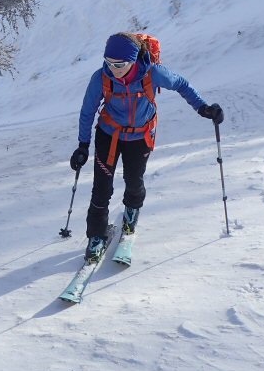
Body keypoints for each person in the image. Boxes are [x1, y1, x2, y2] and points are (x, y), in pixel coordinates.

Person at [70, 33, 224, 262]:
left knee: (134, 181)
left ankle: (130, 217)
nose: (113, 69)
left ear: (132, 60)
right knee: (101, 187)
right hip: (108, 135)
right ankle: (96, 236)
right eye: (109, 62)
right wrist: (83, 145)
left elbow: (181, 84)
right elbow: (87, 111)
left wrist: (202, 108)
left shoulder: (152, 73)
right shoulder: (100, 78)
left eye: (119, 64)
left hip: (139, 137)